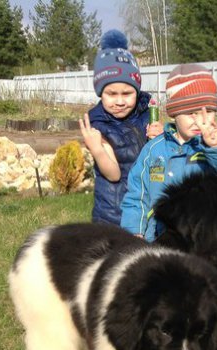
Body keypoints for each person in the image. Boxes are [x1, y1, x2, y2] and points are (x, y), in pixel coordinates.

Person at [120, 63, 217, 241]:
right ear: (174, 113)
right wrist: (134, 232)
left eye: (208, 111)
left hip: (208, 240)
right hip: (161, 239)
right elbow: (138, 195)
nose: (200, 120)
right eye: (191, 113)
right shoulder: (154, 150)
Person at [79, 30, 163, 226]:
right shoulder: (99, 125)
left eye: (127, 94)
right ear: (100, 93)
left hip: (145, 206)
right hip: (114, 213)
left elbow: (159, 158)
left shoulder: (146, 112)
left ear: (137, 91)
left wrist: (160, 135)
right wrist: (97, 149)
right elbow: (113, 174)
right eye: (111, 94)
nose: (119, 101)